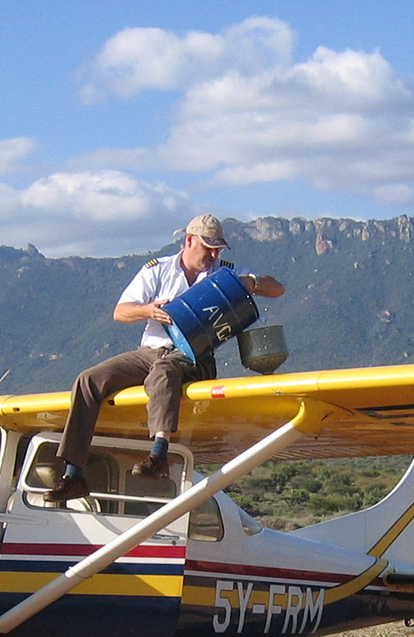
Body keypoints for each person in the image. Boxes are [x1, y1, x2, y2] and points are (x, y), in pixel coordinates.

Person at [44, 214, 284, 504]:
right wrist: (148, 311)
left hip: (195, 355)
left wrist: (252, 282)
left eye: (217, 249)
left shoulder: (226, 274)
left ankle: (158, 454)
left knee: (163, 370)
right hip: (150, 350)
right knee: (89, 380)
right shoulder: (158, 270)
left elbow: (277, 288)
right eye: (208, 247)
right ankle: (73, 474)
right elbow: (120, 312)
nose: (212, 254)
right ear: (189, 241)